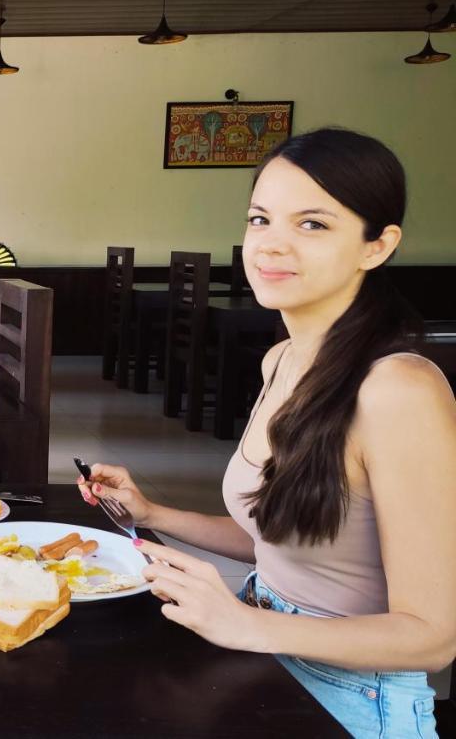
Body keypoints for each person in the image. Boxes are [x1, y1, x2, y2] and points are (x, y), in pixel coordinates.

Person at [80, 128, 456, 737]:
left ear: (377, 246)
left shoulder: (400, 389)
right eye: (260, 219)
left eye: (312, 224)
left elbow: (432, 637)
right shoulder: (281, 360)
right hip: (263, 663)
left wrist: (245, 624)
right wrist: (152, 511)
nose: (271, 245)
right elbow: (282, 543)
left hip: (355, 697)